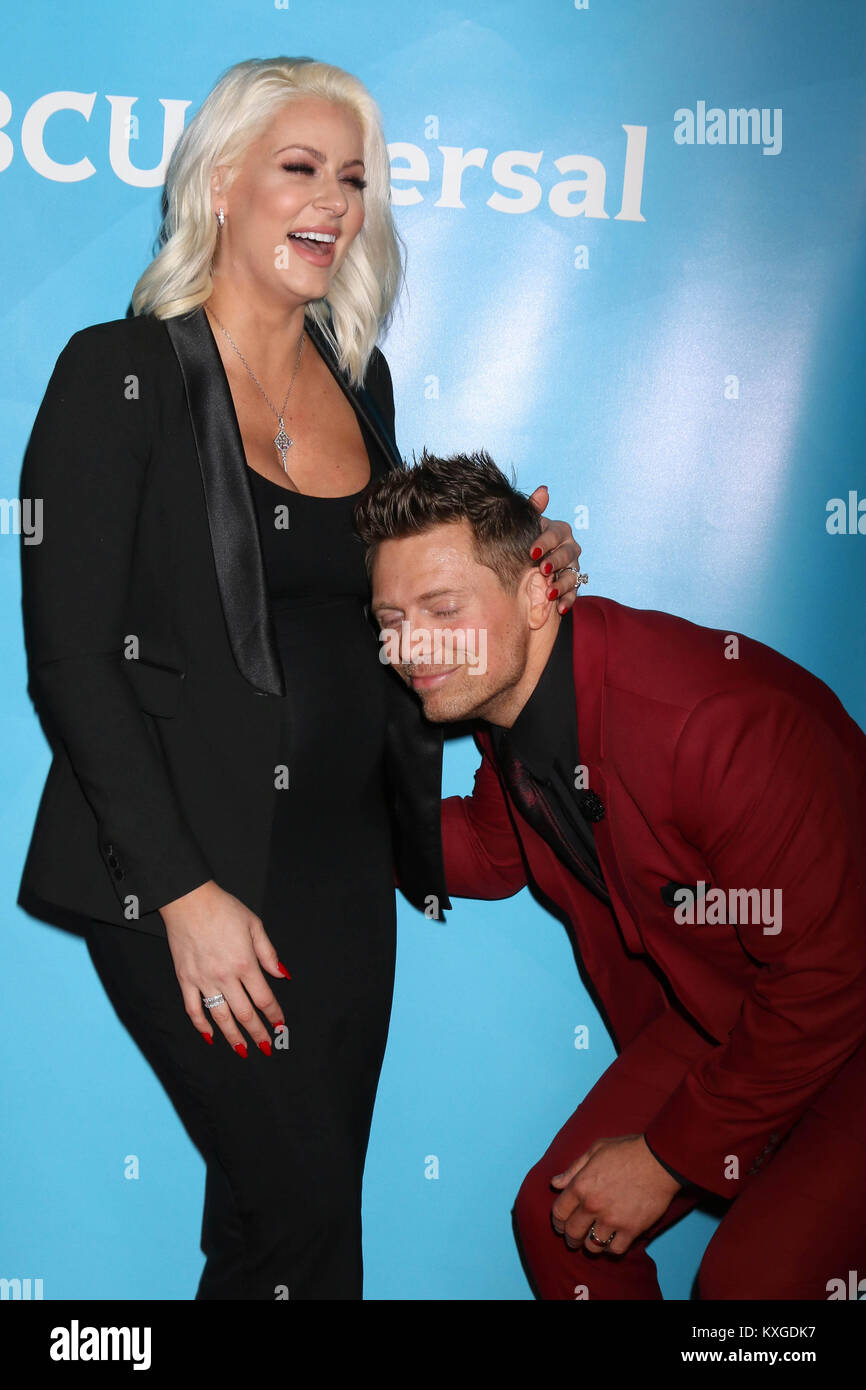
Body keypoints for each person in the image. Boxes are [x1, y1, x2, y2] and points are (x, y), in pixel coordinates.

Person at [17, 58, 585, 1301]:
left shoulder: (357, 376)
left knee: (287, 1229)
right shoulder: (116, 373)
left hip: (341, 870)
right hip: (178, 867)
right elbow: (69, 661)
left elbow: (408, 589)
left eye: (353, 177)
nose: (334, 199)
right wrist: (182, 893)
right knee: (302, 1210)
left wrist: (523, 562)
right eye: (299, 167)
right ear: (220, 182)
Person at [356, 448, 866, 1300]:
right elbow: (490, 850)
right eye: (391, 619)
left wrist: (669, 1159)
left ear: (533, 589)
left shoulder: (709, 726)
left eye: (441, 607)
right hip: (736, 1011)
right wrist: (311, 823)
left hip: (838, 1011)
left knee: (750, 1291)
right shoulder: (515, 704)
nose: (412, 646)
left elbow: (831, 975)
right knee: (558, 1225)